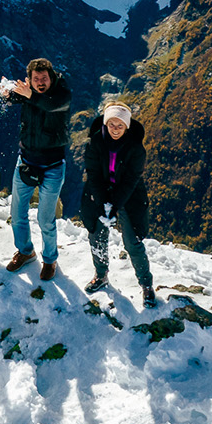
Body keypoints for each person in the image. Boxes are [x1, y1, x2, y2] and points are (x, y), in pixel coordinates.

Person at [81, 103, 157, 308]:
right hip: (100, 192)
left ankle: (146, 284)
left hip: (128, 195)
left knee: (132, 241)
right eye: (111, 124)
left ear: (127, 126)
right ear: (105, 123)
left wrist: (114, 205)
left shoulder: (135, 148)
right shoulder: (96, 142)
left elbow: (132, 179)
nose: (115, 128)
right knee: (97, 234)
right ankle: (100, 274)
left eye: (120, 125)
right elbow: (93, 173)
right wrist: (102, 200)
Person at [4, 57, 71, 280]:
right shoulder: (29, 93)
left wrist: (29, 94)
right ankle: (25, 251)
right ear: (29, 80)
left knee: (45, 218)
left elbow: (51, 105)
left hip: (52, 166)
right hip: (26, 161)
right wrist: (6, 91)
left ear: (51, 78)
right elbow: (15, 97)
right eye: (35, 79)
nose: (40, 82)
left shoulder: (62, 95)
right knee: (17, 213)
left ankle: (50, 260)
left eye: (44, 78)